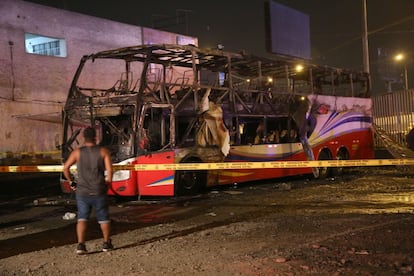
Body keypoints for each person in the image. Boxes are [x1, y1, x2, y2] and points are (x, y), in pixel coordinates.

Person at [63, 126, 113, 254]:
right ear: (95, 137)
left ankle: (81, 245)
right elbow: (110, 171)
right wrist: (108, 183)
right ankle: (106, 243)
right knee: (103, 217)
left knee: (82, 218)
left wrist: (71, 181)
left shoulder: (77, 153)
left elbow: (65, 168)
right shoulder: (103, 151)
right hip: (99, 189)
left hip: (82, 191)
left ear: (84, 138)